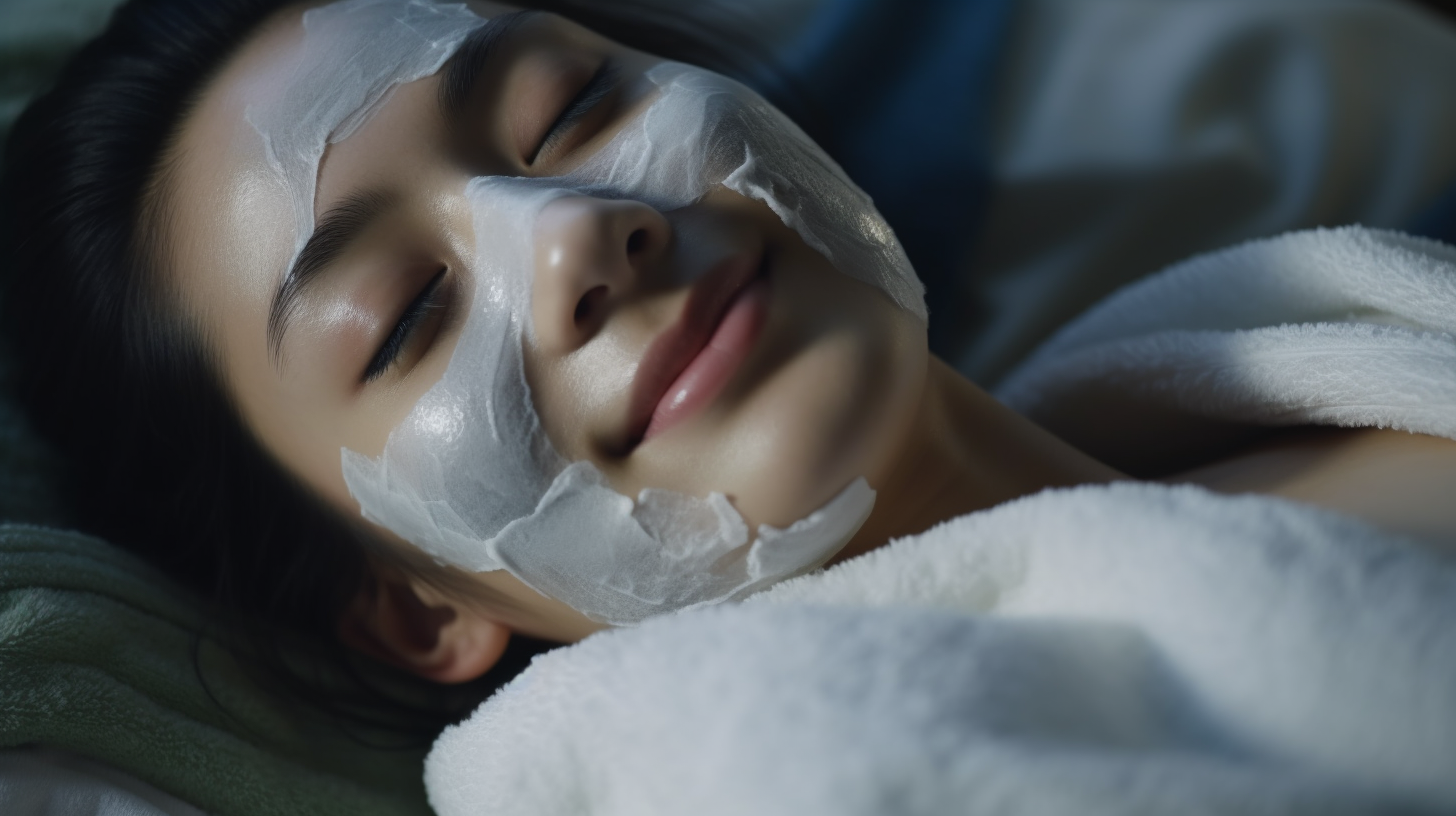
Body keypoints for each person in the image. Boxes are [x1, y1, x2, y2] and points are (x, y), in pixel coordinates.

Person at [4, 0, 1456, 710]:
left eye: (569, 108)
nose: (577, 233)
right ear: (412, 611)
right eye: (405, 318)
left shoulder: (1346, 355)